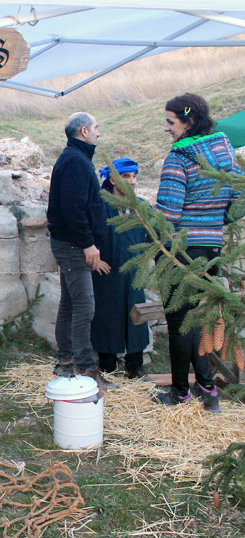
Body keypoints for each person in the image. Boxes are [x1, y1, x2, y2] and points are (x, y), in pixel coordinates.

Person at [153, 93, 244, 412]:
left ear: (188, 120)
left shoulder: (179, 158)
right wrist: (216, 221)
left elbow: (168, 214)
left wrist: (147, 216)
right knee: (201, 320)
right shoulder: (225, 151)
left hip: (180, 249)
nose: (167, 128)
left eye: (170, 121)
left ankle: (180, 392)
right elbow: (237, 200)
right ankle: (208, 388)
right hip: (211, 248)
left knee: (180, 322)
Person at [47, 112, 115, 391]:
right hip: (73, 244)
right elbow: (73, 208)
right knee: (84, 305)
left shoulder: (76, 158)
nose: (98, 133)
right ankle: (86, 368)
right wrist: (87, 244)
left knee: (70, 303)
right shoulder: (75, 160)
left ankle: (66, 361)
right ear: (84, 130)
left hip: (72, 242)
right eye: (96, 128)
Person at [91, 158, 150, 379]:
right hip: (108, 272)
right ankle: (108, 365)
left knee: (137, 315)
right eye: (126, 176)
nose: (132, 181)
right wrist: (93, 259)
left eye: (134, 177)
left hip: (135, 273)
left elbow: (156, 235)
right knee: (108, 316)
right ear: (114, 179)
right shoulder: (100, 205)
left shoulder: (141, 206)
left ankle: (135, 364)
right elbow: (84, 232)